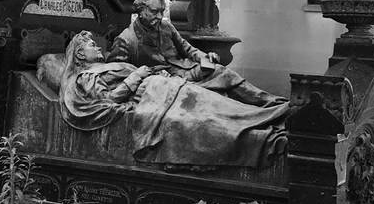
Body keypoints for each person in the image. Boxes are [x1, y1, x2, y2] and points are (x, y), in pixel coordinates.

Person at [59, 31, 289, 170]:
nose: (98, 47)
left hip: (163, 86)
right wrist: (137, 75)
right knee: (209, 113)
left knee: (213, 102)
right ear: (80, 54)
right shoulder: (87, 76)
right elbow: (108, 101)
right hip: (153, 94)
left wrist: (154, 73)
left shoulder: (105, 66)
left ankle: (271, 115)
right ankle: (265, 122)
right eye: (91, 45)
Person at [107, 0, 288, 109]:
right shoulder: (126, 40)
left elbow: (188, 49)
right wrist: (148, 76)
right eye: (155, 12)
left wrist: (205, 57)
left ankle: (271, 102)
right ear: (140, 11)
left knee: (223, 72)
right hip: (163, 83)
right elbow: (117, 76)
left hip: (186, 70)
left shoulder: (166, 27)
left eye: (162, 11)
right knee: (211, 97)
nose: (160, 16)